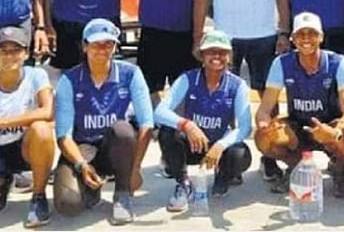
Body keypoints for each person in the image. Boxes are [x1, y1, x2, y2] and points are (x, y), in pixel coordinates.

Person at [193, 0, 288, 182]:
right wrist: (198, 37)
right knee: (224, 103)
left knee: (269, 102)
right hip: (225, 39)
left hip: (264, 35)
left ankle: (270, 159)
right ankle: (227, 163)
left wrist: (284, 31)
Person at [52, 18, 154, 225]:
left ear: (115, 46)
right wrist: (81, 165)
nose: (102, 49)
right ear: (84, 46)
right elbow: (63, 135)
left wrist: (135, 170)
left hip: (115, 147)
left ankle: (122, 193)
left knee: (123, 130)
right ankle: (91, 189)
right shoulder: (69, 80)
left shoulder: (131, 74)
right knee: (68, 205)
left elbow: (147, 124)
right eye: (96, 43)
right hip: (83, 148)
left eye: (108, 44)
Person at [254, 12, 344, 198]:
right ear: (293, 39)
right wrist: (264, 126)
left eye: (312, 34)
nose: (306, 39)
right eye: (301, 34)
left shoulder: (339, 63)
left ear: (321, 37)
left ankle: (339, 171)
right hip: (298, 127)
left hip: (328, 126)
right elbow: (264, 109)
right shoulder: (281, 63)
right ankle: (297, 169)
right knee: (263, 139)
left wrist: (336, 131)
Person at [154, 29, 252, 212]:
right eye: (211, 52)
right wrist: (187, 125)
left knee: (240, 154)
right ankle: (183, 183)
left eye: (222, 52)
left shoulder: (237, 85)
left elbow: (245, 127)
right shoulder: (188, 79)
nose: (217, 57)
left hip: (218, 145)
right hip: (193, 145)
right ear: (202, 56)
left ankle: (223, 175)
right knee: (167, 133)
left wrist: (221, 145)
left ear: (229, 57)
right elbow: (159, 112)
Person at [0, 27, 54, 228]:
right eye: (3, 51)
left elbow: (47, 111)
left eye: (16, 50)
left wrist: (5, 122)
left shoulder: (36, 75)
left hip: (24, 147)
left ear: (26, 53)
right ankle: (4, 180)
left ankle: (38, 196)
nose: (9, 56)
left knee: (41, 129)